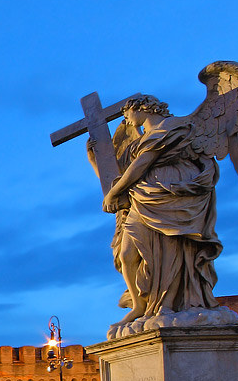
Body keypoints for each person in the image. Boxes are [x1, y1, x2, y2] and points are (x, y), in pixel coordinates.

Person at [90, 94, 222, 334]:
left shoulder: (173, 127)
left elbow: (140, 166)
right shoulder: (140, 140)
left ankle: (168, 304)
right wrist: (94, 159)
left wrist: (112, 194)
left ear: (140, 108)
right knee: (126, 253)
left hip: (171, 196)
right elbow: (123, 172)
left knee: (170, 251)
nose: (127, 120)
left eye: (127, 114)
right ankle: (141, 305)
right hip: (143, 197)